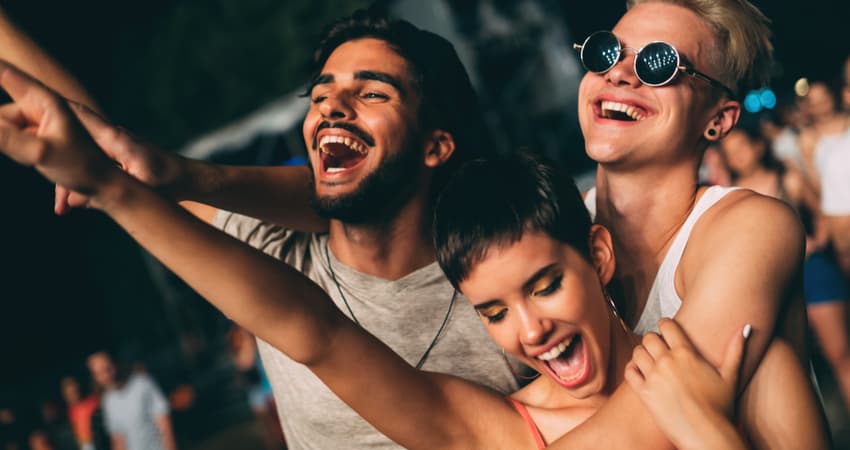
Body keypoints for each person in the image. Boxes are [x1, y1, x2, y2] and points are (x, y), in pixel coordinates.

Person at [0, 78, 827, 450]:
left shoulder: (722, 358)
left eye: (544, 286)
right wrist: (111, 187)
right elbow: (311, 332)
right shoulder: (504, 430)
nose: (531, 330)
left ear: (597, 255)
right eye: (495, 311)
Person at [20, 9, 521, 449]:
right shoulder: (276, 251)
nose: (330, 107)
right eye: (320, 94)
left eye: (371, 92)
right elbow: (101, 147)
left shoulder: (508, 292)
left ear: (436, 147)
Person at [569, 0, 829, 447]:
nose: (618, 74)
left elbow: (630, 436)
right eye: (606, 51)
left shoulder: (750, 227)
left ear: (719, 119)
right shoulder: (556, 229)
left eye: (659, 63)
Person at [720, 124, 850, 407]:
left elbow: (823, 215)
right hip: (771, 284)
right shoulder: (730, 196)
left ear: (758, 147)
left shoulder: (787, 179)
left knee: (840, 355)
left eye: (741, 147)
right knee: (793, 371)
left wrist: (811, 243)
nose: (736, 156)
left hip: (812, 272)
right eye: (730, 153)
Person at [799, 81, 850, 280]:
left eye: (824, 97)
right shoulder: (808, 137)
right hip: (838, 217)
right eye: (814, 100)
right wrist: (822, 222)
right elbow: (814, 183)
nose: (821, 104)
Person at [86, 352, 177, 450]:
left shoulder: (143, 383)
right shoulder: (108, 401)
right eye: (98, 373)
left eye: (107, 369)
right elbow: (118, 439)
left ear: (115, 364)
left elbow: (164, 424)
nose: (106, 376)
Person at [60, 376, 100, 450]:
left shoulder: (94, 402)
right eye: (69, 393)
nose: (73, 394)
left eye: (74, 390)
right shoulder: (66, 417)